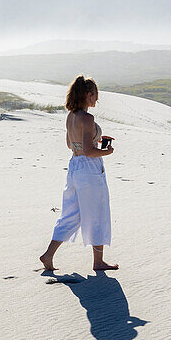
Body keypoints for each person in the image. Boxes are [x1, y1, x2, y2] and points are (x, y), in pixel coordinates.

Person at [39, 75, 117, 271]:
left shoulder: (71, 116)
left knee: (71, 213)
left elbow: (70, 144)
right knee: (97, 212)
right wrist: (106, 151)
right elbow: (89, 152)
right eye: (95, 95)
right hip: (90, 169)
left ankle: (48, 255)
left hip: (74, 166)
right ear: (88, 94)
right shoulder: (87, 118)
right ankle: (98, 262)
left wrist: (91, 143)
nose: (97, 100)